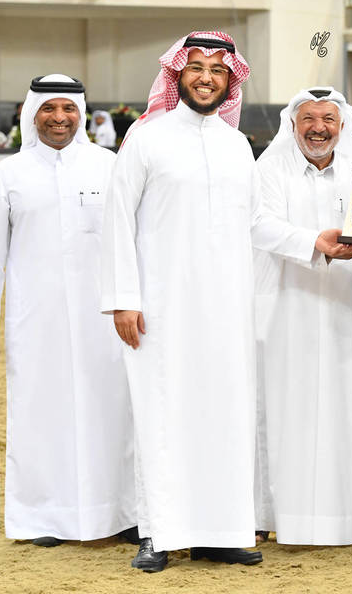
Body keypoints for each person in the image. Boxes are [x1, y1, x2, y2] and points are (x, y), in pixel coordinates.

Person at [101, 31, 262, 572]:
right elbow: (117, 220)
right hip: (160, 309)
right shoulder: (146, 138)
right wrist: (124, 297)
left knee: (224, 414)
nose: (205, 77)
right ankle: (158, 531)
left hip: (228, 311)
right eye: (196, 67)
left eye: (217, 70)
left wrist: (317, 243)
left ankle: (222, 531)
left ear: (229, 80)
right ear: (178, 74)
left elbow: (258, 225)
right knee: (162, 414)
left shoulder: (237, 145)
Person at [0, 74, 135, 547]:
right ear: (32, 114)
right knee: (41, 414)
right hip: (35, 319)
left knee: (113, 411)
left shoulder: (110, 166)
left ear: (82, 114)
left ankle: (122, 513)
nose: (59, 118)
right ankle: (44, 517)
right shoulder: (9, 175)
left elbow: (133, 241)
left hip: (105, 321)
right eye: (48, 109)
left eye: (68, 109)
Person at [251, 87, 352, 546]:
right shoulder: (271, 165)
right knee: (286, 410)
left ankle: (341, 521)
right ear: (293, 123)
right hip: (286, 307)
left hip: (343, 308)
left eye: (328, 119)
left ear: (342, 125)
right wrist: (314, 243)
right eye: (309, 119)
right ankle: (277, 515)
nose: (319, 128)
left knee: (343, 409)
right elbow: (258, 224)